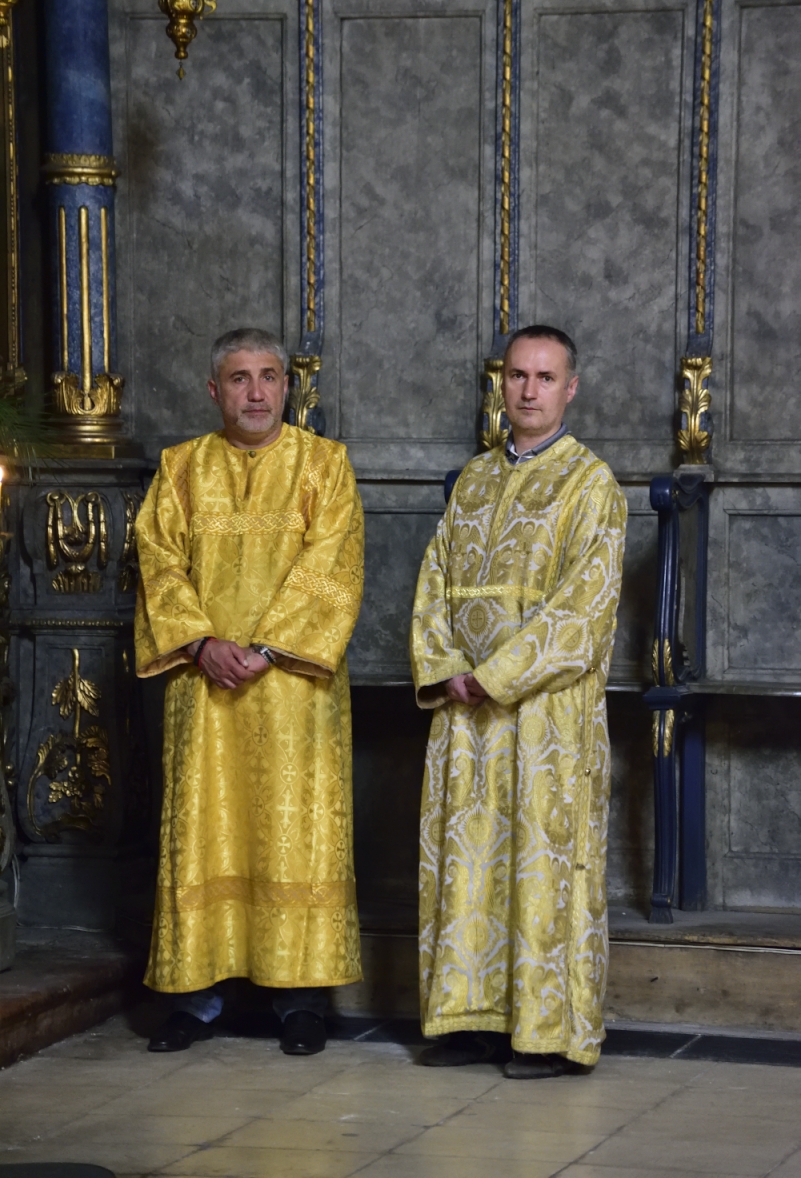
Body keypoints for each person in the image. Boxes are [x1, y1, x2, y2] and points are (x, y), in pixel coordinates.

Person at [135, 328, 364, 1056]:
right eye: (239, 379)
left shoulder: (324, 465)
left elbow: (333, 565)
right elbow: (158, 565)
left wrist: (265, 649)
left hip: (294, 690)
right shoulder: (179, 468)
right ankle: (196, 998)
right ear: (214, 390)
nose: (256, 392)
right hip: (203, 687)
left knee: (297, 839)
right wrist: (202, 644)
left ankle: (300, 1003)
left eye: (269, 377)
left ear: (287, 387)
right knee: (203, 833)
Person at [409, 325, 627, 1078]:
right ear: (499, 384)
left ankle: (548, 1033)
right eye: (516, 375)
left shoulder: (590, 484)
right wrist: (446, 668)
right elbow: (433, 585)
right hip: (465, 715)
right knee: (469, 866)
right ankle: (470, 1021)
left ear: (571, 389)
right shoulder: (472, 480)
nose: (528, 390)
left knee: (542, 868)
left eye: (545, 377)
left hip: (544, 719)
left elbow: (584, 611)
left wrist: (495, 674)